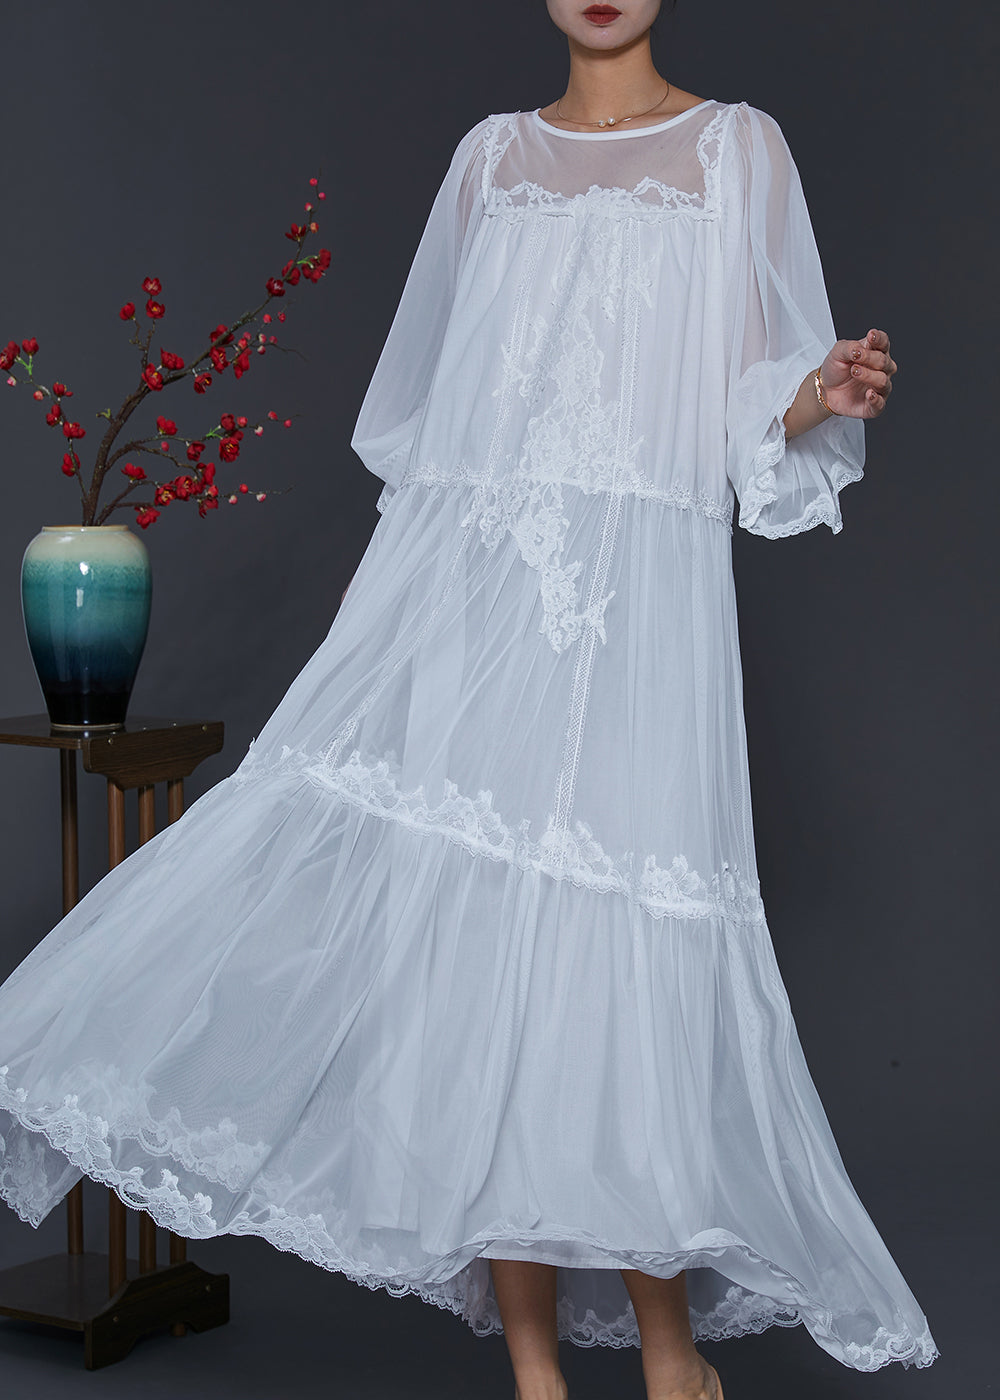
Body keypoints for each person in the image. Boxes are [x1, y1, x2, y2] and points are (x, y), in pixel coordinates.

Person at [0, 2, 936, 1397]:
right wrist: (404, 622)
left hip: (644, 615)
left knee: (627, 968)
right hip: (477, 604)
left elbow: (743, 417)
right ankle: (532, 1371)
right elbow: (438, 426)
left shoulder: (737, 151)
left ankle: (670, 1353)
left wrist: (817, 392)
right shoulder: (491, 159)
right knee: (481, 965)